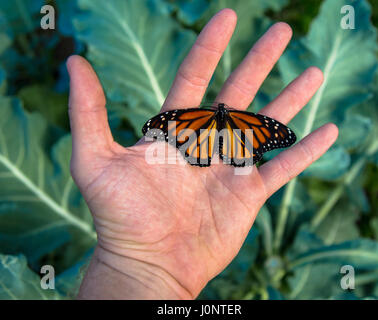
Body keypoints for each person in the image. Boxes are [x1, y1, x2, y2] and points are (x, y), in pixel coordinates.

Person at [67, 9, 338, 299]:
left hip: (203, 140)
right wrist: (132, 266)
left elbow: (188, 125)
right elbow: (252, 132)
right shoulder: (235, 121)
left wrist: (133, 268)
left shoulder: (193, 118)